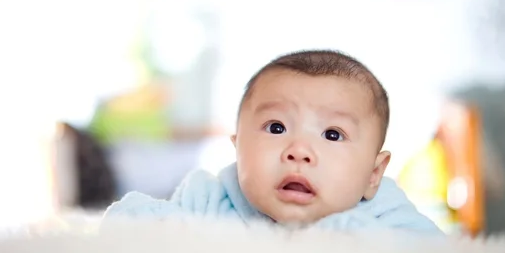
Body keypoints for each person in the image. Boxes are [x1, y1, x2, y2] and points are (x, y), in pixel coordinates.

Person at [102, 49, 442, 234]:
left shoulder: (383, 210)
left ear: (373, 174)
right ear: (238, 149)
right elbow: (132, 228)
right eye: (276, 128)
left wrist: (342, 240)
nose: (299, 151)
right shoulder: (210, 196)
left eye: (332, 134)